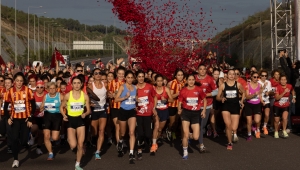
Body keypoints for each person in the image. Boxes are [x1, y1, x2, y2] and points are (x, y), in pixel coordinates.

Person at [4, 72, 36, 168]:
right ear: (14, 81)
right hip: (15, 119)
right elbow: (5, 107)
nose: (19, 83)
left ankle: (27, 138)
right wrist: (8, 118)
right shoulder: (9, 92)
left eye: (21, 81)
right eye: (17, 81)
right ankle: (16, 159)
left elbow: (33, 106)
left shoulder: (28, 91)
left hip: (25, 119)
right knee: (14, 139)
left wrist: (30, 118)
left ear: (23, 82)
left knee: (23, 141)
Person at [60, 76, 91, 170]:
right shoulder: (68, 95)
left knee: (80, 144)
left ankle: (77, 164)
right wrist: (64, 115)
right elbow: (61, 107)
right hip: (70, 121)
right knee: (73, 145)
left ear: (81, 84)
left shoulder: (85, 96)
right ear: (72, 85)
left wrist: (85, 114)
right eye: (75, 83)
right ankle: (76, 148)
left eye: (78, 83)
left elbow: (89, 110)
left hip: (80, 120)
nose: (77, 85)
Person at [178, 74, 206, 159]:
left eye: (192, 80)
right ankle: (185, 151)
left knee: (195, 137)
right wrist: (179, 109)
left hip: (195, 114)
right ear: (186, 81)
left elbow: (204, 100)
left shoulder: (199, 90)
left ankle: (190, 135)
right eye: (189, 80)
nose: (191, 81)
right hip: (186, 113)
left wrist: (204, 110)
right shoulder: (183, 90)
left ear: (194, 81)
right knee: (185, 135)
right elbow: (180, 102)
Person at [217, 69, 245, 149]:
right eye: (230, 74)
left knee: (234, 128)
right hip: (226, 106)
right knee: (228, 125)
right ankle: (229, 143)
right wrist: (221, 98)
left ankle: (230, 132)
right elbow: (217, 96)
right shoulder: (223, 85)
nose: (232, 75)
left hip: (235, 106)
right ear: (227, 75)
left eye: (233, 74)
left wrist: (242, 101)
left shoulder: (238, 84)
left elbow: (244, 92)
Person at [114, 70, 137, 163]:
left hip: (132, 111)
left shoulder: (135, 87)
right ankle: (120, 142)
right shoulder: (122, 87)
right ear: (125, 78)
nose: (130, 79)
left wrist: (138, 101)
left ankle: (131, 153)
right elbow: (116, 99)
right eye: (128, 77)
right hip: (123, 111)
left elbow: (136, 98)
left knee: (131, 132)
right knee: (123, 133)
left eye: (132, 77)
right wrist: (125, 97)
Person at [195, 64, 218, 152]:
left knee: (202, 125)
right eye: (200, 69)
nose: (202, 71)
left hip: (207, 105)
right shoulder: (194, 78)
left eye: (204, 69)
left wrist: (206, 95)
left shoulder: (210, 79)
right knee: (198, 125)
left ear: (206, 70)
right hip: (195, 105)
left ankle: (197, 135)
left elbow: (216, 91)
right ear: (198, 70)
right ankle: (201, 144)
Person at [135, 70, 156, 159]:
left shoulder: (149, 87)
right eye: (139, 76)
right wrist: (135, 102)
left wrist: (154, 108)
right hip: (138, 113)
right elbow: (131, 99)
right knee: (140, 133)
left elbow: (154, 97)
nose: (141, 78)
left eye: (142, 76)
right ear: (136, 78)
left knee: (147, 134)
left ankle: (147, 143)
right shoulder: (134, 88)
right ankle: (139, 150)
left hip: (148, 113)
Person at [40, 82, 63, 160]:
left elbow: (66, 105)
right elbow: (41, 107)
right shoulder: (45, 96)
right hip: (47, 116)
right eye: (50, 88)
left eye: (53, 88)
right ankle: (50, 153)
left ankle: (59, 138)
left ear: (56, 89)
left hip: (57, 116)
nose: (52, 90)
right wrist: (42, 107)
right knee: (46, 135)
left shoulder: (60, 96)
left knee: (55, 137)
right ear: (48, 89)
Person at [88, 68, 107, 160]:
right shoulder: (90, 86)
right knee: (94, 132)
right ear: (93, 76)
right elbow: (86, 97)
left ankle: (98, 151)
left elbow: (108, 94)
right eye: (96, 73)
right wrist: (89, 104)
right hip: (94, 111)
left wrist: (112, 95)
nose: (98, 75)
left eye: (100, 73)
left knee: (101, 131)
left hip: (103, 110)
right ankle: (90, 138)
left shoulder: (105, 84)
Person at [153, 74, 173, 145]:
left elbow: (171, 100)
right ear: (155, 81)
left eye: (161, 81)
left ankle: (156, 139)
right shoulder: (153, 89)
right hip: (156, 110)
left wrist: (166, 100)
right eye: (158, 81)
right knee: (156, 127)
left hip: (164, 110)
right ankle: (154, 143)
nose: (159, 82)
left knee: (160, 129)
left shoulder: (166, 89)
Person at [108, 67, 125, 149]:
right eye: (119, 73)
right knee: (117, 126)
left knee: (123, 127)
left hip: (125, 107)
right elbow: (109, 94)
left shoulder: (127, 83)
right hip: (115, 107)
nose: (121, 75)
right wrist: (112, 95)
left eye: (122, 74)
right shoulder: (112, 83)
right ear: (117, 74)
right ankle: (119, 143)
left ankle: (121, 140)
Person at [29, 80, 47, 155]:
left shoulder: (47, 94)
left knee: (41, 133)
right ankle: (32, 136)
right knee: (34, 128)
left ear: (44, 87)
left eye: (41, 87)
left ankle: (38, 148)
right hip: (34, 116)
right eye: (38, 87)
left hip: (44, 116)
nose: (39, 89)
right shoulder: (32, 95)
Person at [167, 68, 185, 141]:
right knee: (173, 122)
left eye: (181, 75)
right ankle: (169, 130)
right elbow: (171, 96)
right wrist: (178, 93)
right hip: (173, 105)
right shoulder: (173, 83)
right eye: (178, 75)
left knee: (181, 121)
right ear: (175, 76)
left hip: (181, 105)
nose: (180, 77)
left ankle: (182, 136)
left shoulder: (185, 82)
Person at [245, 72, 263, 140]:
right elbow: (247, 96)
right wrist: (253, 95)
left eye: (257, 77)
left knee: (257, 120)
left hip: (257, 104)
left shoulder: (260, 85)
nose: (256, 78)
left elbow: (260, 95)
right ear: (251, 77)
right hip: (249, 104)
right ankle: (249, 134)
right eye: (254, 77)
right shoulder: (248, 85)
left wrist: (262, 101)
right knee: (249, 121)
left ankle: (256, 127)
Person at [0, 77, 13, 154]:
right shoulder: (2, 90)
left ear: (12, 84)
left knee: (9, 130)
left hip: (10, 114)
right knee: (2, 131)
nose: (7, 84)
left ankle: (10, 146)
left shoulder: (14, 92)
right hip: (2, 114)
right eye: (6, 83)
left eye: (9, 83)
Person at [258, 70, 272, 135]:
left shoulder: (268, 82)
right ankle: (257, 128)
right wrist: (263, 87)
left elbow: (270, 91)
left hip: (266, 100)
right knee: (259, 116)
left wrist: (268, 93)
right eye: (262, 75)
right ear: (260, 76)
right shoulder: (258, 82)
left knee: (267, 115)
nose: (264, 77)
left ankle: (264, 126)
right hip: (259, 100)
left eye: (265, 76)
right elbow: (258, 93)